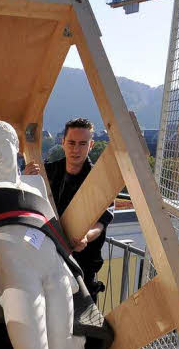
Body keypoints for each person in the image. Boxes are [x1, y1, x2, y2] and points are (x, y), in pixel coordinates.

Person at [25, 118, 113, 301]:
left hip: (83, 264)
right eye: (71, 142)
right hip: (45, 258)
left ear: (91, 145)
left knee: (80, 322)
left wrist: (86, 236)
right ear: (63, 142)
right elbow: (26, 204)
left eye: (83, 144)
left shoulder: (100, 180)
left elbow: (102, 222)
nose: (76, 149)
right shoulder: (46, 172)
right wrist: (26, 181)